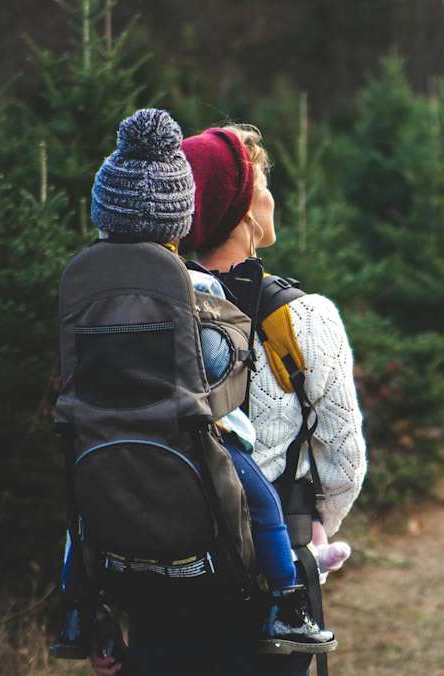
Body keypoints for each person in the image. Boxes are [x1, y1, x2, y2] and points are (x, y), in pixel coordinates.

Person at [90, 122, 367, 676]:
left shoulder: (140, 311)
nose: (272, 197)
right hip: (265, 588)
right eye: (264, 184)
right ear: (243, 210)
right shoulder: (302, 317)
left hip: (156, 573)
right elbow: (344, 462)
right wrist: (310, 538)